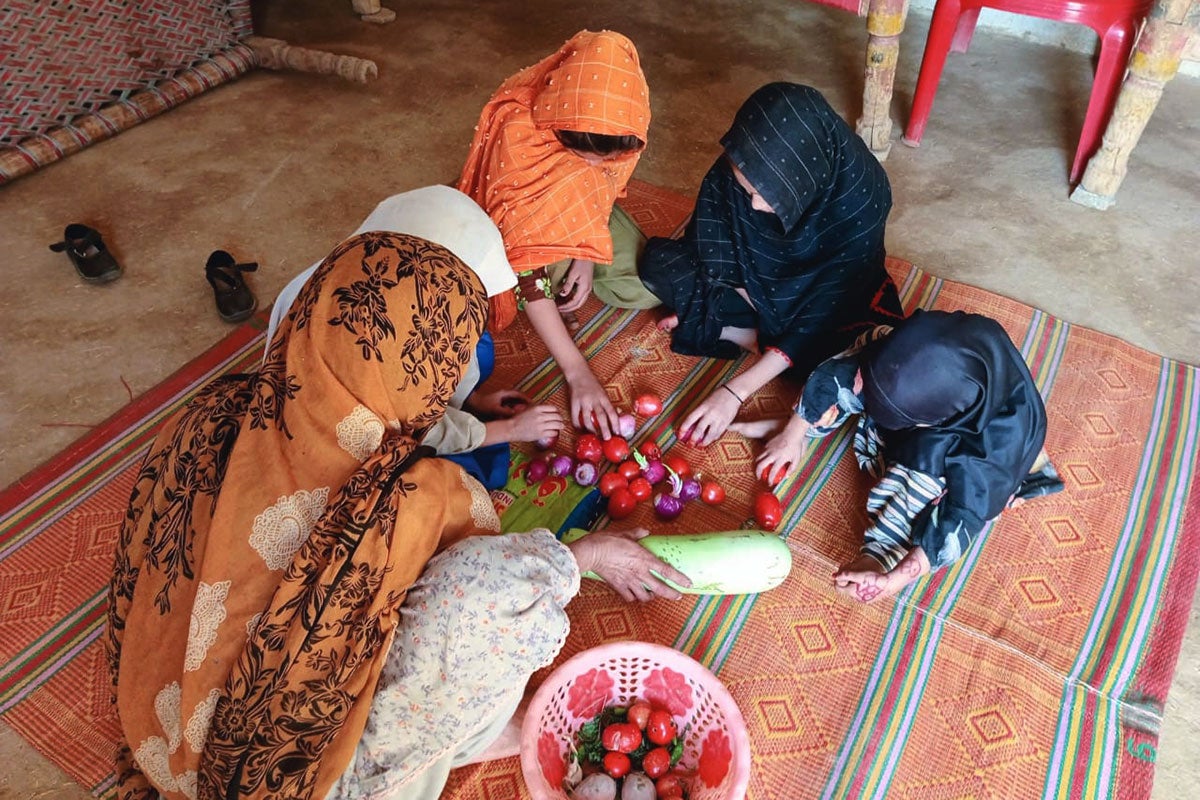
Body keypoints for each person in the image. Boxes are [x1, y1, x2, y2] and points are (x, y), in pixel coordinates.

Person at [106, 232, 691, 800]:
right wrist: (581, 556)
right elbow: (479, 587)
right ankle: (456, 744)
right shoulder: (412, 492)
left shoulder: (211, 413)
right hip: (280, 775)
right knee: (493, 598)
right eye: (448, 366)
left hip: (160, 722)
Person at [638, 82, 905, 447]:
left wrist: (735, 392)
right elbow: (712, 243)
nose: (755, 207)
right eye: (746, 190)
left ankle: (741, 335)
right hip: (754, 287)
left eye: (766, 196)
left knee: (871, 361)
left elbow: (825, 307)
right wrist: (756, 299)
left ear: (803, 179)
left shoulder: (862, 196)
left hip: (829, 300)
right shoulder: (747, 160)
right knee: (659, 265)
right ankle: (756, 339)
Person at [733, 309, 1064, 602]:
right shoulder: (919, 346)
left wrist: (893, 575)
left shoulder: (997, 446)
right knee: (871, 343)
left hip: (965, 442)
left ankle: (878, 550)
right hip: (933, 395)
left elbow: (959, 520)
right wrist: (795, 429)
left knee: (925, 471)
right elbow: (846, 373)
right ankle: (811, 427)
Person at [264, 185, 562, 489]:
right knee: (462, 483)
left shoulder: (378, 265)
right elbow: (417, 427)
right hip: (339, 437)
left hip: (384, 382)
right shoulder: (378, 344)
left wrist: (474, 399)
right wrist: (509, 430)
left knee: (478, 348)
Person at [458, 29, 656, 440]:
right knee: (481, 294)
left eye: (601, 158)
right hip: (514, 229)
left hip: (572, 218)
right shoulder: (520, 131)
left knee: (645, 284)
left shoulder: (622, 121)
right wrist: (577, 372)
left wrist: (584, 254)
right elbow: (523, 264)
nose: (590, 163)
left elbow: (600, 192)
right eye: (576, 152)